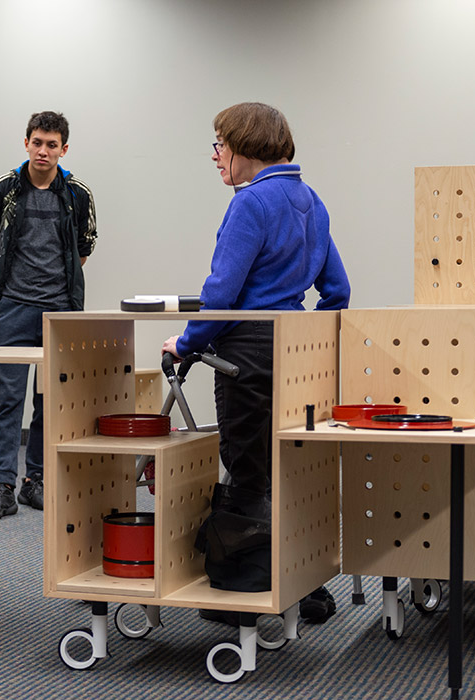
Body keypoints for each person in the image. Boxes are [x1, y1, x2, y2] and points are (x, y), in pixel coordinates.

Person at [162, 102, 350, 622]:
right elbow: (338, 291)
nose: (215, 155)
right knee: (291, 469)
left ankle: (248, 591)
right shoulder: (310, 201)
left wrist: (186, 342)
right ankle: (303, 581)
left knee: (247, 470)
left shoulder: (251, 204)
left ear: (245, 146)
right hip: (297, 356)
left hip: (246, 353)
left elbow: (221, 291)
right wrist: (309, 339)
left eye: (219, 143)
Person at [0, 110, 97, 520]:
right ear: (26, 143)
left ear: (64, 149)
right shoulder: (2, 189)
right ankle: (2, 487)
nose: (43, 151)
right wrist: (16, 291)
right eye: (37, 142)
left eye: (52, 144)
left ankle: (34, 481)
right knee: (8, 401)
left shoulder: (77, 194)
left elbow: (82, 250)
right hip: (13, 308)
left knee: (50, 400)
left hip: (60, 311)